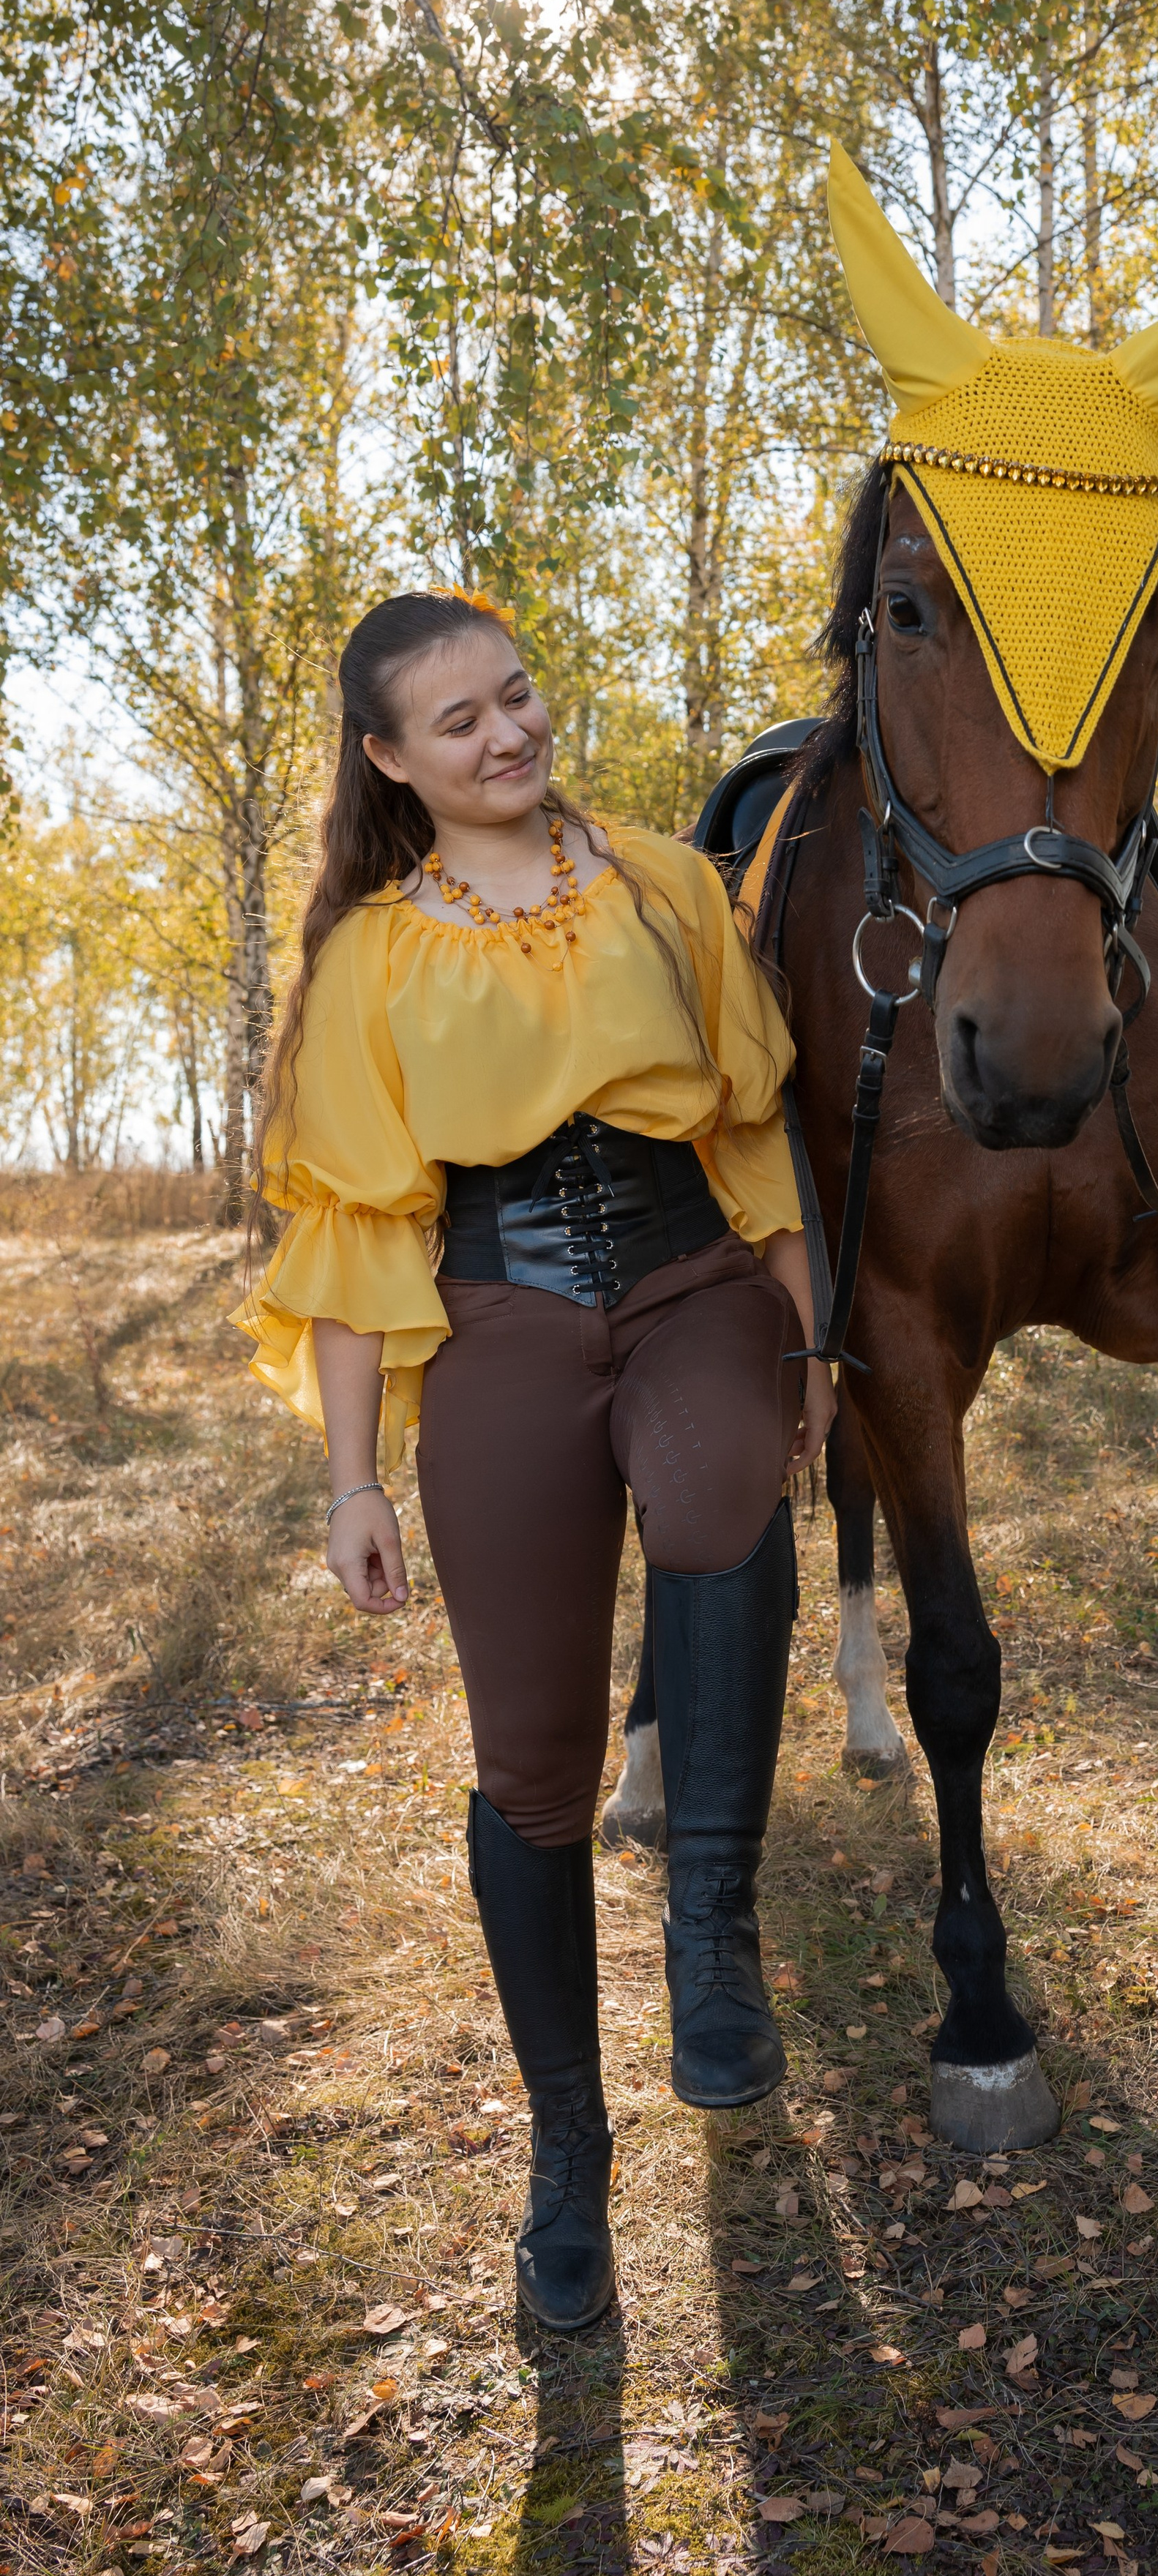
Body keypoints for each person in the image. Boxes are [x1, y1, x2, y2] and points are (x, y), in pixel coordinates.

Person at [239, 587, 836, 2333]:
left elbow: (752, 1129)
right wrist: (353, 1481)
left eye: (517, 698)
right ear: (387, 760)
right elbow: (356, 1238)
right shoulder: (366, 958)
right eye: (457, 722)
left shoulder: (664, 884)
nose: (505, 736)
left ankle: (712, 1931)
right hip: (498, 1318)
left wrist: (802, 1343)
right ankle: (566, 2151)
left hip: (689, 1284)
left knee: (724, 1483)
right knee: (532, 1770)